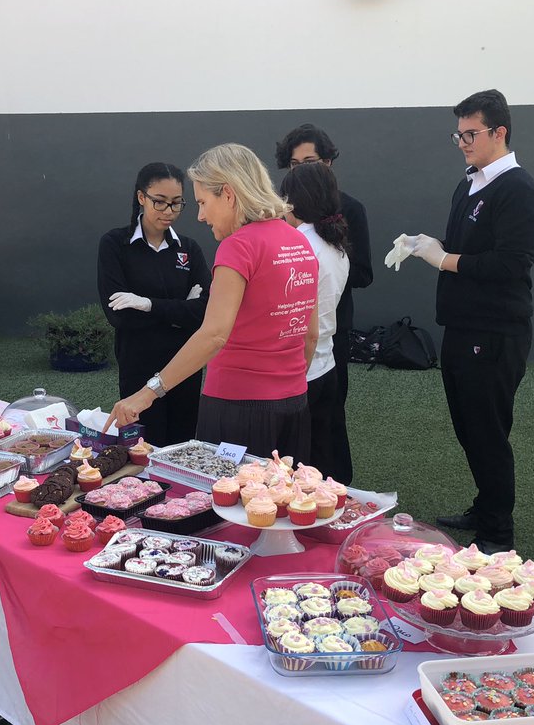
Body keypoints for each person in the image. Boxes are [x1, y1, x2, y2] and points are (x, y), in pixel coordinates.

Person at [105, 143, 319, 462]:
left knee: (226, 495)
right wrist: (287, 385)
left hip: (237, 407)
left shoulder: (238, 246)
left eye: (204, 202)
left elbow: (214, 334)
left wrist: (147, 393)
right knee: (280, 492)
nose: (201, 216)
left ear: (228, 194)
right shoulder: (299, 241)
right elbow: (311, 334)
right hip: (294, 403)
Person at [407, 89, 534, 552]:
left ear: (499, 132)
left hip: (494, 330)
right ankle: (485, 508)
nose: (463, 143)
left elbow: (511, 263)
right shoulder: (469, 183)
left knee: (487, 431)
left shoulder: (518, 189)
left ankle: (497, 534)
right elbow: (463, 250)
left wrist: (442, 259)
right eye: (459, 135)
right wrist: (428, 246)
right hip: (462, 325)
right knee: (469, 428)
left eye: (471, 134)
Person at [274, 124, 372, 483]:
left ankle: (329, 492)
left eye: (310, 162)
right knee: (323, 437)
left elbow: (307, 328)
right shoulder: (333, 245)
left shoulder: (304, 246)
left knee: (309, 446)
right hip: (321, 352)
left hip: (311, 355)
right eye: (294, 164)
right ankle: (336, 491)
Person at [98, 162, 210, 446]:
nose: (169, 211)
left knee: (183, 446)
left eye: (176, 203)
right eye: (159, 202)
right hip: (138, 365)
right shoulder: (115, 244)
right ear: (141, 197)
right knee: (143, 448)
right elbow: (120, 317)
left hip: (184, 365)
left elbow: (205, 312)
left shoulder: (188, 249)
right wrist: (180, 310)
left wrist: (147, 304)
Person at [279, 161, 350, 480]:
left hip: (300, 367)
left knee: (295, 467)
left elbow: (300, 323)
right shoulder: (336, 246)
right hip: (325, 363)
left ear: (292, 201)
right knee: (321, 459)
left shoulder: (299, 245)